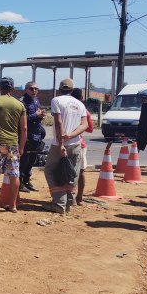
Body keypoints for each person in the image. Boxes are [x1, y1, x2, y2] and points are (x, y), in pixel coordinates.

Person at [42, 78, 89, 214]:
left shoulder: (56, 101)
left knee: (50, 171)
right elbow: (85, 125)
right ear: (72, 90)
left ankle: (59, 203)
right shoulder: (79, 104)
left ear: (60, 89)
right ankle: (69, 201)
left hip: (59, 144)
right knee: (71, 173)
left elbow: (58, 122)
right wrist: (71, 135)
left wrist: (62, 143)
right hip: (75, 143)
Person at [0, 77, 27, 212]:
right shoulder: (19, 105)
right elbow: (24, 128)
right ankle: (13, 205)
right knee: (14, 174)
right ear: (13, 89)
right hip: (12, 144)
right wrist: (21, 147)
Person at [19, 81, 46, 192]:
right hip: (27, 135)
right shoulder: (22, 102)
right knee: (24, 160)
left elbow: (36, 115)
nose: (34, 91)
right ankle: (20, 182)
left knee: (32, 160)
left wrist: (40, 116)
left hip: (36, 135)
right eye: (31, 88)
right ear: (26, 89)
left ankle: (27, 180)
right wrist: (36, 115)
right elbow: (21, 120)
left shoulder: (36, 100)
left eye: (36, 89)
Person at [71, 88, 94, 206]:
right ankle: (79, 197)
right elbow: (90, 129)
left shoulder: (66, 108)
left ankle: (68, 198)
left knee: (67, 171)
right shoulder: (84, 111)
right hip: (80, 143)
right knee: (81, 172)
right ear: (81, 98)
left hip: (66, 142)